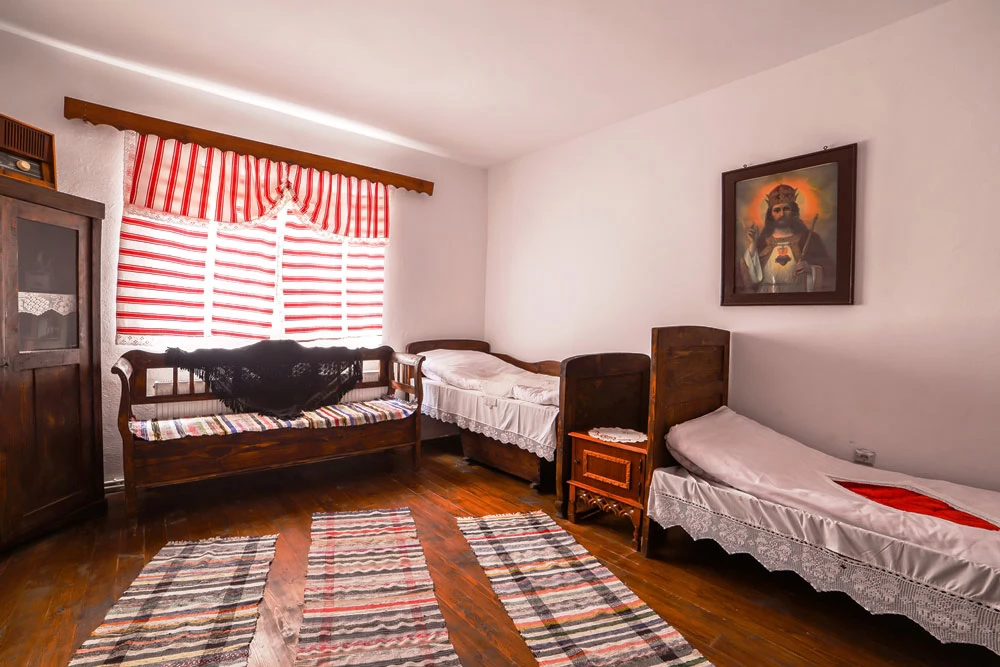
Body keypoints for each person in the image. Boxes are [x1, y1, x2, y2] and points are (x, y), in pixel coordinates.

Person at [739, 183, 834, 293]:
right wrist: (753, 245)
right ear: (770, 214)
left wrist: (811, 269)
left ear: (793, 212)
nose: (782, 214)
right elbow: (750, 278)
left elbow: (830, 270)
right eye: (777, 210)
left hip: (798, 294)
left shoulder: (809, 238)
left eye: (786, 209)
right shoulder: (761, 241)